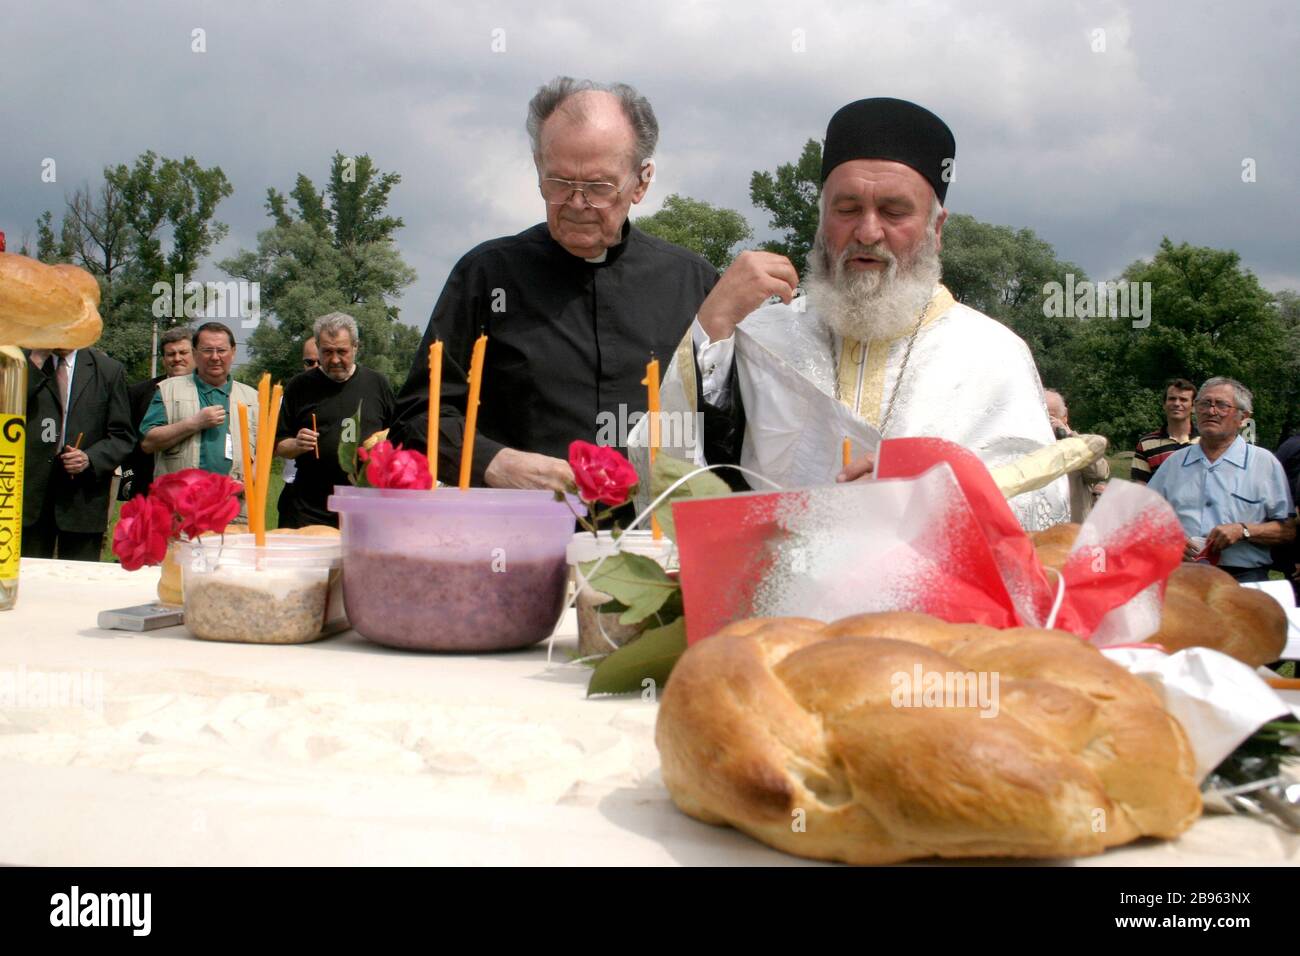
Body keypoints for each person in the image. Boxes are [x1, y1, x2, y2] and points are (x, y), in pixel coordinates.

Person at [668, 97, 1066, 528]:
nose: (868, 231)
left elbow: (1044, 508)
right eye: (847, 209)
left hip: (927, 591)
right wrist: (710, 327)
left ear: (936, 228)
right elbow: (666, 474)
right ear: (822, 218)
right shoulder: (762, 337)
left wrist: (933, 489)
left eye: (894, 212)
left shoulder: (992, 355)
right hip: (776, 590)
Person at [392, 76, 718, 491]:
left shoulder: (693, 284)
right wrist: (492, 462)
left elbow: (729, 427)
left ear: (641, 182)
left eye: (599, 187)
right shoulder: (487, 276)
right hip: (515, 542)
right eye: (559, 183)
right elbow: (415, 419)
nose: (577, 204)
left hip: (652, 544)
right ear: (537, 166)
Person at [1147, 377, 1294, 583]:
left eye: (1222, 405)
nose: (1211, 411)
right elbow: (1142, 521)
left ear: (1243, 417)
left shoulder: (1264, 463)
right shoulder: (1175, 464)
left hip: (1244, 578)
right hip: (1182, 575)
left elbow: (1288, 529)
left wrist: (1244, 531)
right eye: (1204, 403)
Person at [275, 314, 395, 527]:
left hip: (365, 506)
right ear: (318, 348)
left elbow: (396, 435)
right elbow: (279, 444)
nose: (335, 360)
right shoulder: (299, 386)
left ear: (356, 347)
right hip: (309, 508)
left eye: (342, 351)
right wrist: (296, 444)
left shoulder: (377, 384)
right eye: (327, 352)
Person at [22, 346, 135, 560]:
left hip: (83, 497)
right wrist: (35, 361)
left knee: (79, 578)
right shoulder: (20, 361)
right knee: (28, 578)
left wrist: (90, 458)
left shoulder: (108, 370)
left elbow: (122, 435)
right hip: (29, 496)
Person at [138, 322, 259, 502]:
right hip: (179, 506)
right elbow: (148, 443)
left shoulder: (253, 398)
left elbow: (265, 450)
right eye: (207, 350)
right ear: (195, 353)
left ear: (233, 352)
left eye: (222, 350)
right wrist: (195, 423)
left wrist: (249, 482)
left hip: (233, 505)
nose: (215, 357)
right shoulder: (168, 390)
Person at [118, 327, 195, 501]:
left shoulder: (210, 391)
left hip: (194, 487)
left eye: (183, 352)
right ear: (163, 359)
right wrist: (127, 478)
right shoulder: (138, 393)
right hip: (147, 486)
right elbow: (125, 436)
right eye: (171, 354)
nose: (177, 359)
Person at [1045, 389, 1110, 522]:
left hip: (1073, 530)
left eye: (1051, 416)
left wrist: (1070, 437)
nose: (1047, 423)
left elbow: (1099, 473)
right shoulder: (1028, 446)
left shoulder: (1080, 444)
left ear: (1065, 417)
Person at [277, 336, 319, 527]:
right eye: (309, 362)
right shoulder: (291, 395)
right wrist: (296, 444)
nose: (315, 366)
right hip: (296, 489)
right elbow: (275, 445)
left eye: (320, 360)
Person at [1131, 378, 1199, 484]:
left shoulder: (1206, 442)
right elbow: (1140, 488)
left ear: (1193, 406)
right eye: (1172, 399)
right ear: (1164, 404)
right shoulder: (1146, 443)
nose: (1177, 403)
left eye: (1183, 399)